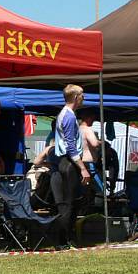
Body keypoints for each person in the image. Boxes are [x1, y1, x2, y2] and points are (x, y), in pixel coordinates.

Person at [50, 84, 91, 250]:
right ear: (75, 97)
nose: (83, 98)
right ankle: (63, 241)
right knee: (68, 203)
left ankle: (67, 239)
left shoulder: (68, 115)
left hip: (67, 162)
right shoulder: (68, 116)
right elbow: (70, 146)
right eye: (82, 95)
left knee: (73, 202)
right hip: (68, 163)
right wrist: (82, 168)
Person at [79, 109, 104, 194]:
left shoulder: (77, 129)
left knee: (83, 189)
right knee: (100, 189)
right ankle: (99, 206)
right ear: (88, 118)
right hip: (89, 164)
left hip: (80, 162)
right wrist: (101, 142)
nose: (93, 121)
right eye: (93, 118)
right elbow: (94, 143)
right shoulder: (87, 129)